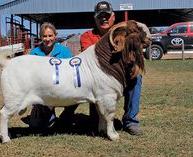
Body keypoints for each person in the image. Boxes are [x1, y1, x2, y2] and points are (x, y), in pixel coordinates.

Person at [79, 1, 143, 135]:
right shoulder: (87, 36)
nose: (104, 19)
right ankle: (97, 118)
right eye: (100, 16)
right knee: (95, 124)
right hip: (96, 81)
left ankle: (130, 120)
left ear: (113, 17)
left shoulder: (124, 34)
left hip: (120, 76)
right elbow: (93, 63)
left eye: (107, 16)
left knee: (136, 77)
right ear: (95, 18)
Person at [28, 22, 72, 128]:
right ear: (40, 37)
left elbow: (71, 72)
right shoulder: (34, 53)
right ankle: (46, 112)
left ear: (55, 36)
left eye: (50, 36)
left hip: (62, 89)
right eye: (44, 36)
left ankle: (66, 116)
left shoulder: (64, 51)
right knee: (36, 126)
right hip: (42, 93)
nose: (48, 39)